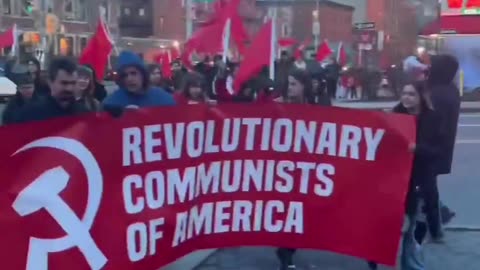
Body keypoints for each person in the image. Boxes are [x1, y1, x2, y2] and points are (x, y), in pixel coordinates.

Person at [368, 81, 442, 270]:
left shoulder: (432, 118)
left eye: (411, 94)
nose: (406, 97)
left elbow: (438, 151)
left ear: (421, 97)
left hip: (419, 181)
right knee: (385, 224)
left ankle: (411, 265)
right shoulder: (395, 115)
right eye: (404, 93)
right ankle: (375, 259)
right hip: (395, 180)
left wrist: (417, 149)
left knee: (413, 227)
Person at [274, 69, 316, 270]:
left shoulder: (316, 108)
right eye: (289, 83)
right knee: (285, 212)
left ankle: (289, 249)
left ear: (304, 86)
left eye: (294, 84)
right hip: (281, 168)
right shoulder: (277, 105)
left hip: (305, 168)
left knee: (301, 213)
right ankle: (285, 253)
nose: (290, 88)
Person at [427, 54, 460, 228]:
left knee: (425, 185)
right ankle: (440, 214)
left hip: (430, 146)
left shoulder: (438, 93)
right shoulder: (449, 88)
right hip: (439, 146)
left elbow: (430, 120)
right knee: (426, 184)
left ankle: (436, 222)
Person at [14, 57, 88, 123]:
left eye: (73, 83)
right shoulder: (30, 115)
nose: (69, 88)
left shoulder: (85, 115)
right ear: (50, 82)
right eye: (64, 83)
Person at [103, 50, 176, 109]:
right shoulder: (111, 104)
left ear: (143, 75)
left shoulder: (163, 98)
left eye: (133, 73)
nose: (129, 79)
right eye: (124, 75)